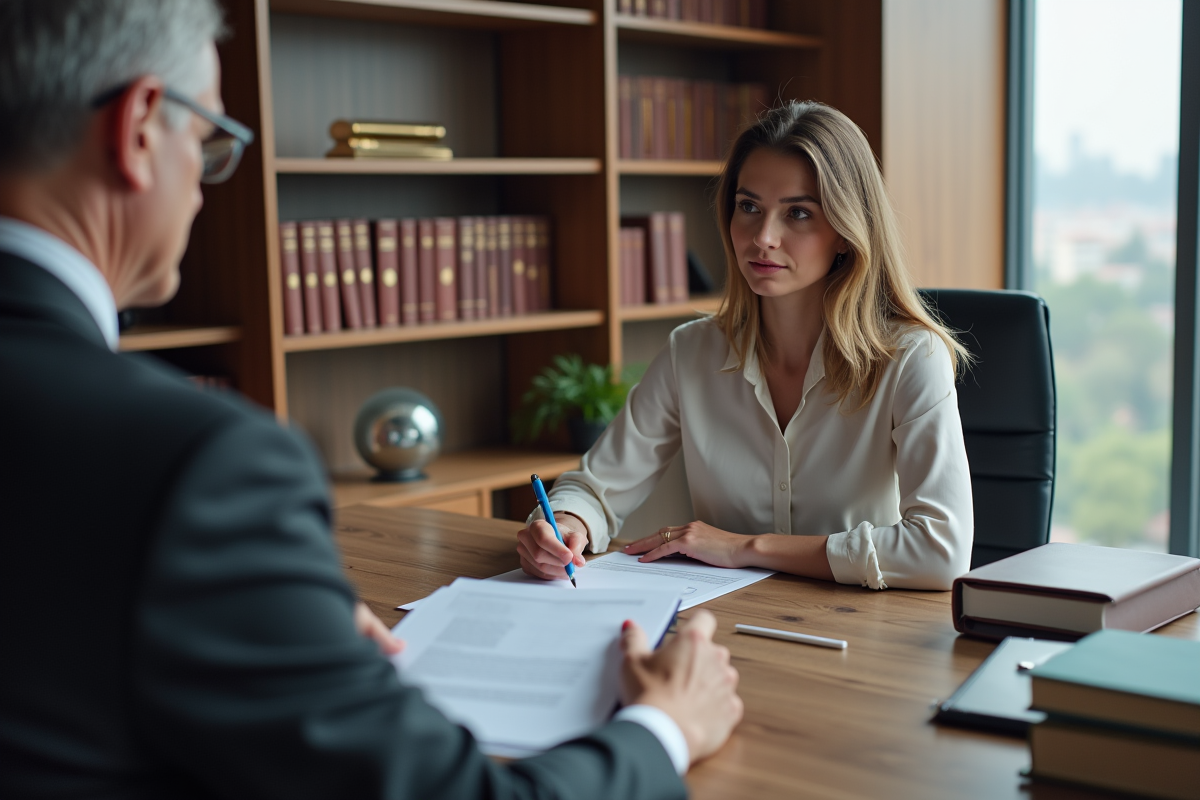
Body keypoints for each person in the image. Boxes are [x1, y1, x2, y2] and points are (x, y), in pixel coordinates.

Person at [0, 2, 741, 798]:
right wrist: (665, 725)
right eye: (208, 141)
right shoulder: (197, 462)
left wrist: (275, 640)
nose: (205, 188)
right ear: (142, 128)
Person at [518, 101, 973, 592]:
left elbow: (941, 551)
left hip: (859, 634)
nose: (763, 237)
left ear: (845, 231)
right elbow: (596, 487)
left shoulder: (909, 358)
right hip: (725, 629)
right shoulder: (690, 352)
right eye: (749, 207)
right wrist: (566, 525)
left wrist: (745, 547)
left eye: (798, 213)